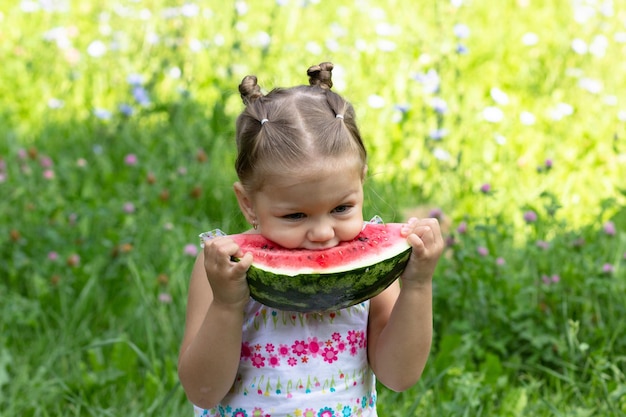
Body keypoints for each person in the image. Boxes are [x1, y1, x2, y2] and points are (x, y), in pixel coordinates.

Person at [178, 62, 444, 417]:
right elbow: (203, 391)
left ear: (361, 183)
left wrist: (417, 285)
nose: (322, 234)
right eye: (295, 216)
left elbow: (399, 375)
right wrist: (227, 305)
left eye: (342, 208)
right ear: (248, 204)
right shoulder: (224, 267)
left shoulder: (373, 274)